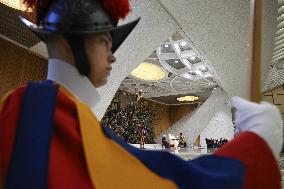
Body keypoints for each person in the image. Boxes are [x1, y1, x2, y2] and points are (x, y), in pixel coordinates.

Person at [0, 0, 282, 189]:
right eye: (104, 42)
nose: (112, 57)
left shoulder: (56, 113)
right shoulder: (41, 113)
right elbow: (159, 180)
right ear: (68, 39)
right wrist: (254, 148)